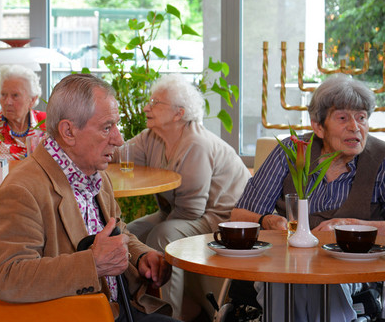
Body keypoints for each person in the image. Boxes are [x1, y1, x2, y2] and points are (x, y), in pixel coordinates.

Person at [0, 73, 177, 322]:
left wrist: (141, 256)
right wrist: (92, 264)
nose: (119, 140)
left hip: (119, 309)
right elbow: (7, 277)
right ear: (68, 131)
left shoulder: (95, 173)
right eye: (107, 127)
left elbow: (117, 232)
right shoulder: (23, 189)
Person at [231, 75, 385, 322]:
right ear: (318, 127)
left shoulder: (381, 160)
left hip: (353, 268)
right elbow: (239, 217)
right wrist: (267, 220)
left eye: (361, 117)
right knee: (283, 279)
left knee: (322, 280)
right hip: (286, 263)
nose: (355, 127)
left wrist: (348, 225)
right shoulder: (292, 151)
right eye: (343, 118)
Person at [126, 74, 250, 319]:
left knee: (163, 235)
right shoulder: (152, 137)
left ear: (178, 113)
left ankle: (169, 316)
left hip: (223, 220)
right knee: (130, 233)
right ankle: (133, 308)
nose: (146, 108)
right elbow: (120, 154)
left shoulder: (196, 143)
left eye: (155, 103)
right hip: (183, 214)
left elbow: (191, 210)